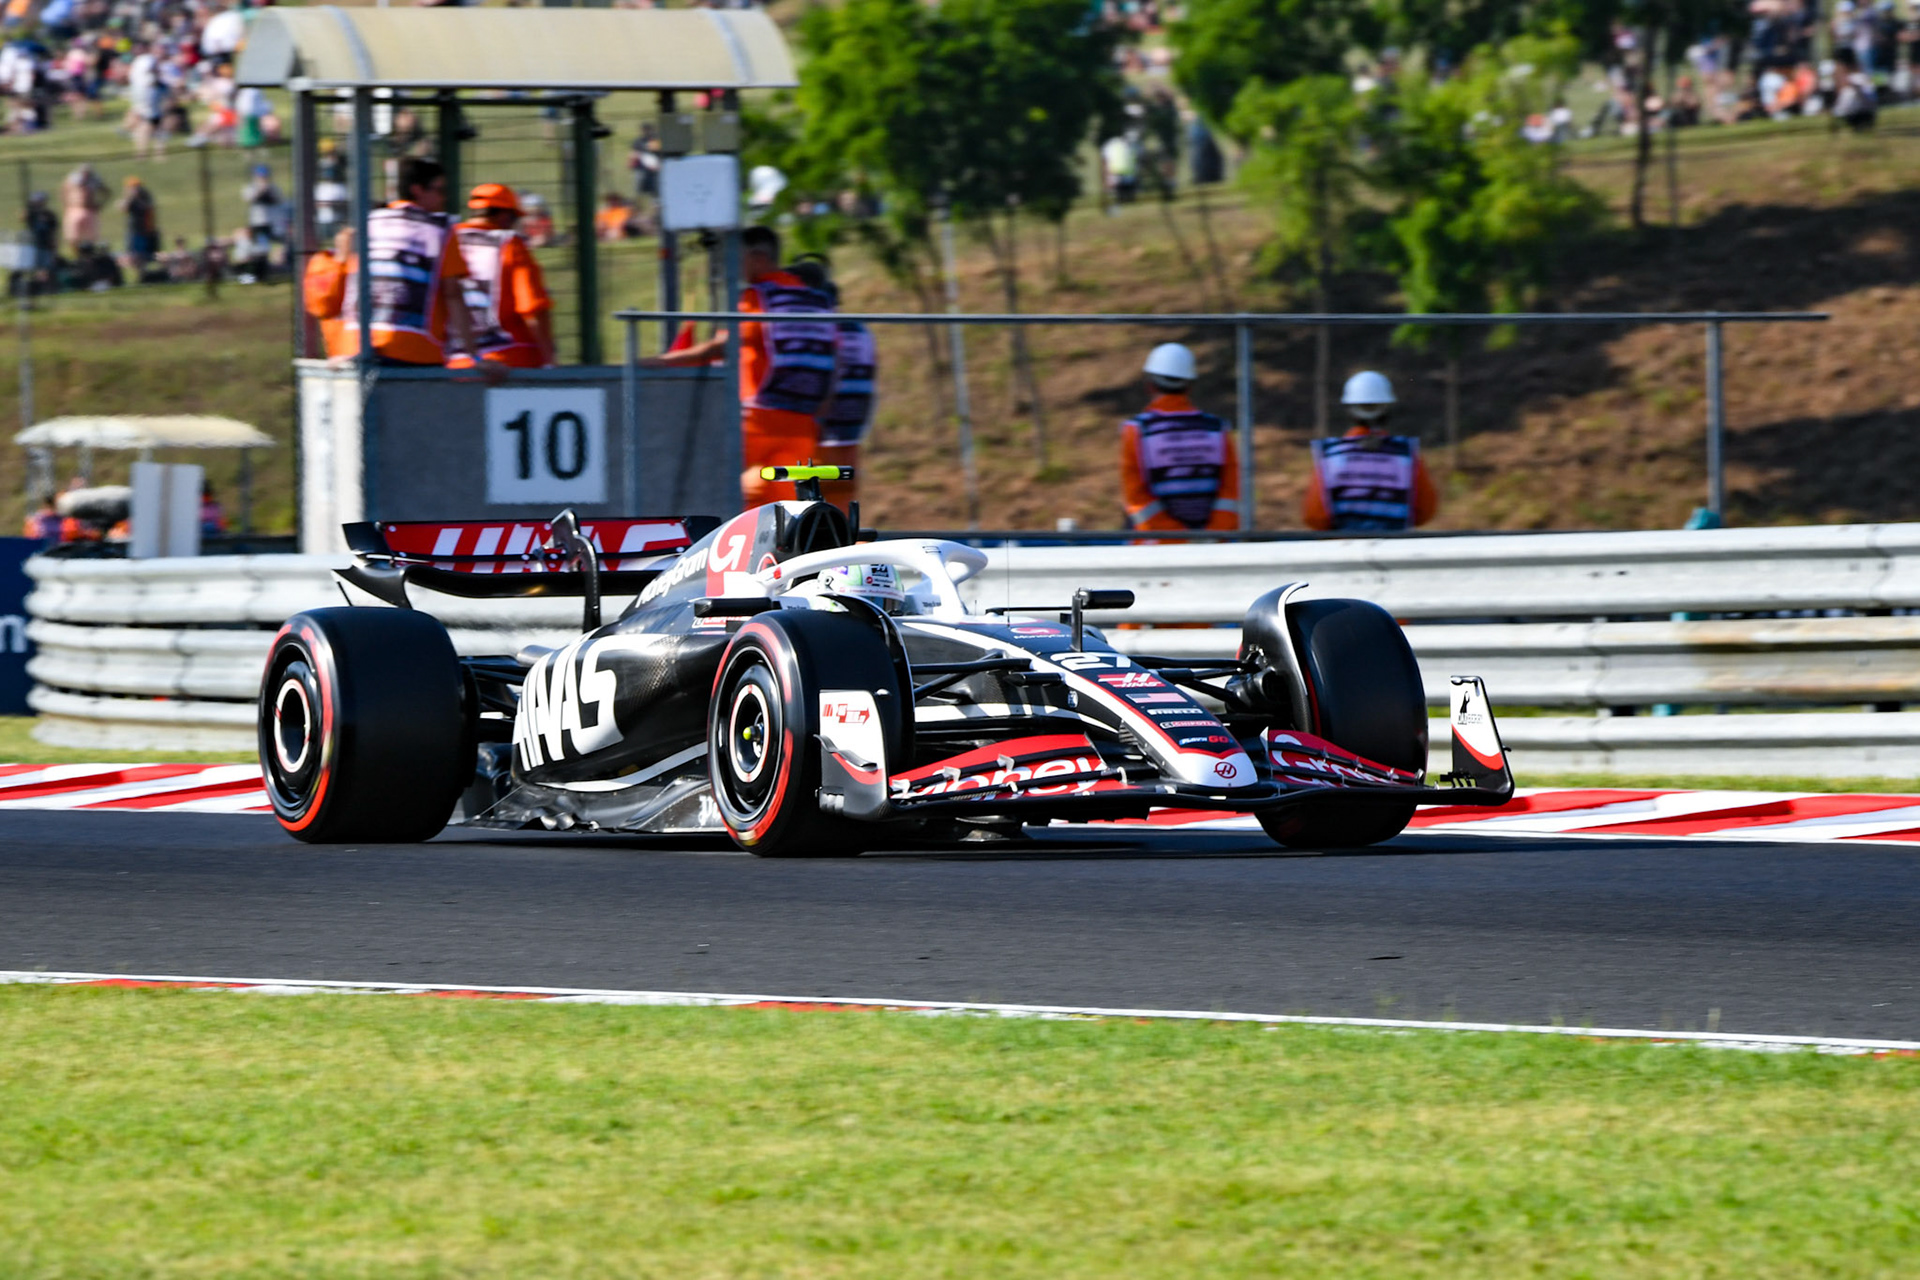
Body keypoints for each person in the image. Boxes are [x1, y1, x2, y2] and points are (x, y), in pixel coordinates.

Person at [639, 224, 837, 507]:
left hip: (758, 424)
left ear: (757, 257)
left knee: (718, 494)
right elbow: (835, 360)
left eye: (737, 259)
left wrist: (659, 362)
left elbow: (720, 346)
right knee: (788, 510)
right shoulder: (815, 299)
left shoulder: (758, 297)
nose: (733, 268)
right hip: (803, 426)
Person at [337, 156, 473, 366]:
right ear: (417, 190)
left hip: (353, 345)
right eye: (439, 190)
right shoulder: (440, 229)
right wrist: (474, 355)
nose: (443, 199)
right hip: (413, 349)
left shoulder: (368, 223)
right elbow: (453, 294)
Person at [1118, 343, 1240, 533]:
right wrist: (1210, 535)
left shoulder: (1137, 431)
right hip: (1212, 548)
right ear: (1190, 386)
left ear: (1149, 385)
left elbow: (1136, 497)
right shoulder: (1218, 429)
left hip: (1155, 547)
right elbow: (1230, 493)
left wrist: (1177, 537)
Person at [1302, 371, 1439, 533]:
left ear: (1350, 410)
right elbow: (1424, 511)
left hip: (1343, 552)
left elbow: (1315, 517)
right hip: (1394, 550)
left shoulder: (1331, 456)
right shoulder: (1405, 455)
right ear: (1386, 408)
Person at [787, 257, 873, 510]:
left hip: (817, 439)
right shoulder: (860, 331)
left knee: (803, 509)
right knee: (841, 510)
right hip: (851, 438)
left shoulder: (816, 328)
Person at [447, 182, 555, 370]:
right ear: (505, 216)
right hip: (508, 363)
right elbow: (532, 308)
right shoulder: (510, 245)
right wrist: (550, 361)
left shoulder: (448, 241)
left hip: (454, 362)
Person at [120, 176, 158, 270]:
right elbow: (123, 208)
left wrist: (137, 198)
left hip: (145, 230)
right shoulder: (129, 198)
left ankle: (142, 271)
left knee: (143, 254)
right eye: (133, 186)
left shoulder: (146, 196)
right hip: (133, 230)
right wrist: (130, 197)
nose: (136, 188)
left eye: (137, 186)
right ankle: (135, 270)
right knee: (132, 253)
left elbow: (149, 208)